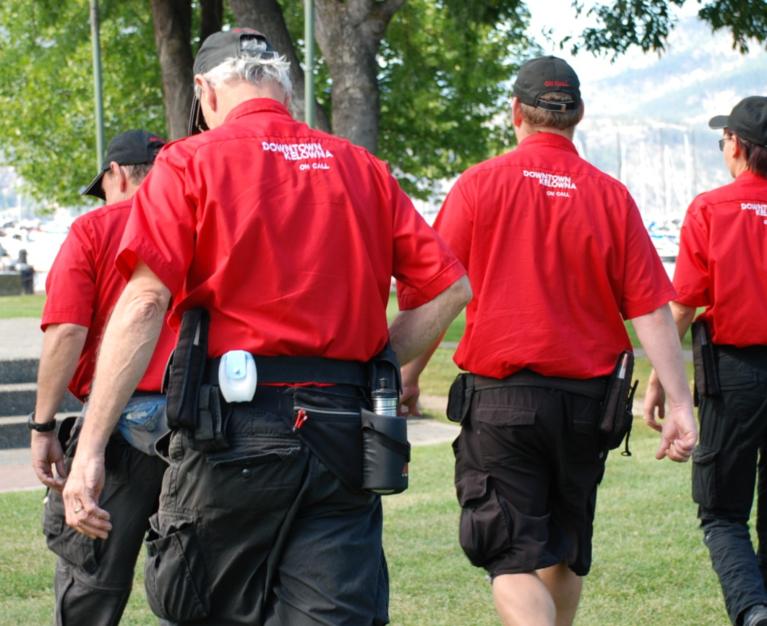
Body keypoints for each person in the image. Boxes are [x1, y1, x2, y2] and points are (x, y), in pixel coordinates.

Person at [60, 29, 471, 626]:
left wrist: (91, 447)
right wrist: (379, 364)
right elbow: (450, 287)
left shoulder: (189, 160)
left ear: (203, 90)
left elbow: (146, 302)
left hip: (234, 430)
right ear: (282, 85)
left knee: (199, 600)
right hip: (344, 430)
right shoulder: (361, 166)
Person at [399, 55, 698, 626]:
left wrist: (408, 378)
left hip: (503, 401)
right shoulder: (611, 196)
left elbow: (435, 292)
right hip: (588, 408)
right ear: (578, 114)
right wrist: (681, 404)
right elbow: (652, 313)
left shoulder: (480, 185)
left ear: (516, 112)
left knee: (510, 555)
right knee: (563, 550)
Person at [30, 129, 176, 626]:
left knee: (89, 581)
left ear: (116, 174)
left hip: (120, 430)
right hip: (204, 424)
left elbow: (67, 331)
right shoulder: (207, 222)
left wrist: (43, 425)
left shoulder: (94, 229)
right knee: (202, 585)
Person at [645, 96, 767, 626]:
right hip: (735, 372)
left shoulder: (710, 209)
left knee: (721, 512)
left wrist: (658, 383)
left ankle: (752, 611)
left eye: (724, 141)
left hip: (735, 376)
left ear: (736, 146)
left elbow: (682, 305)